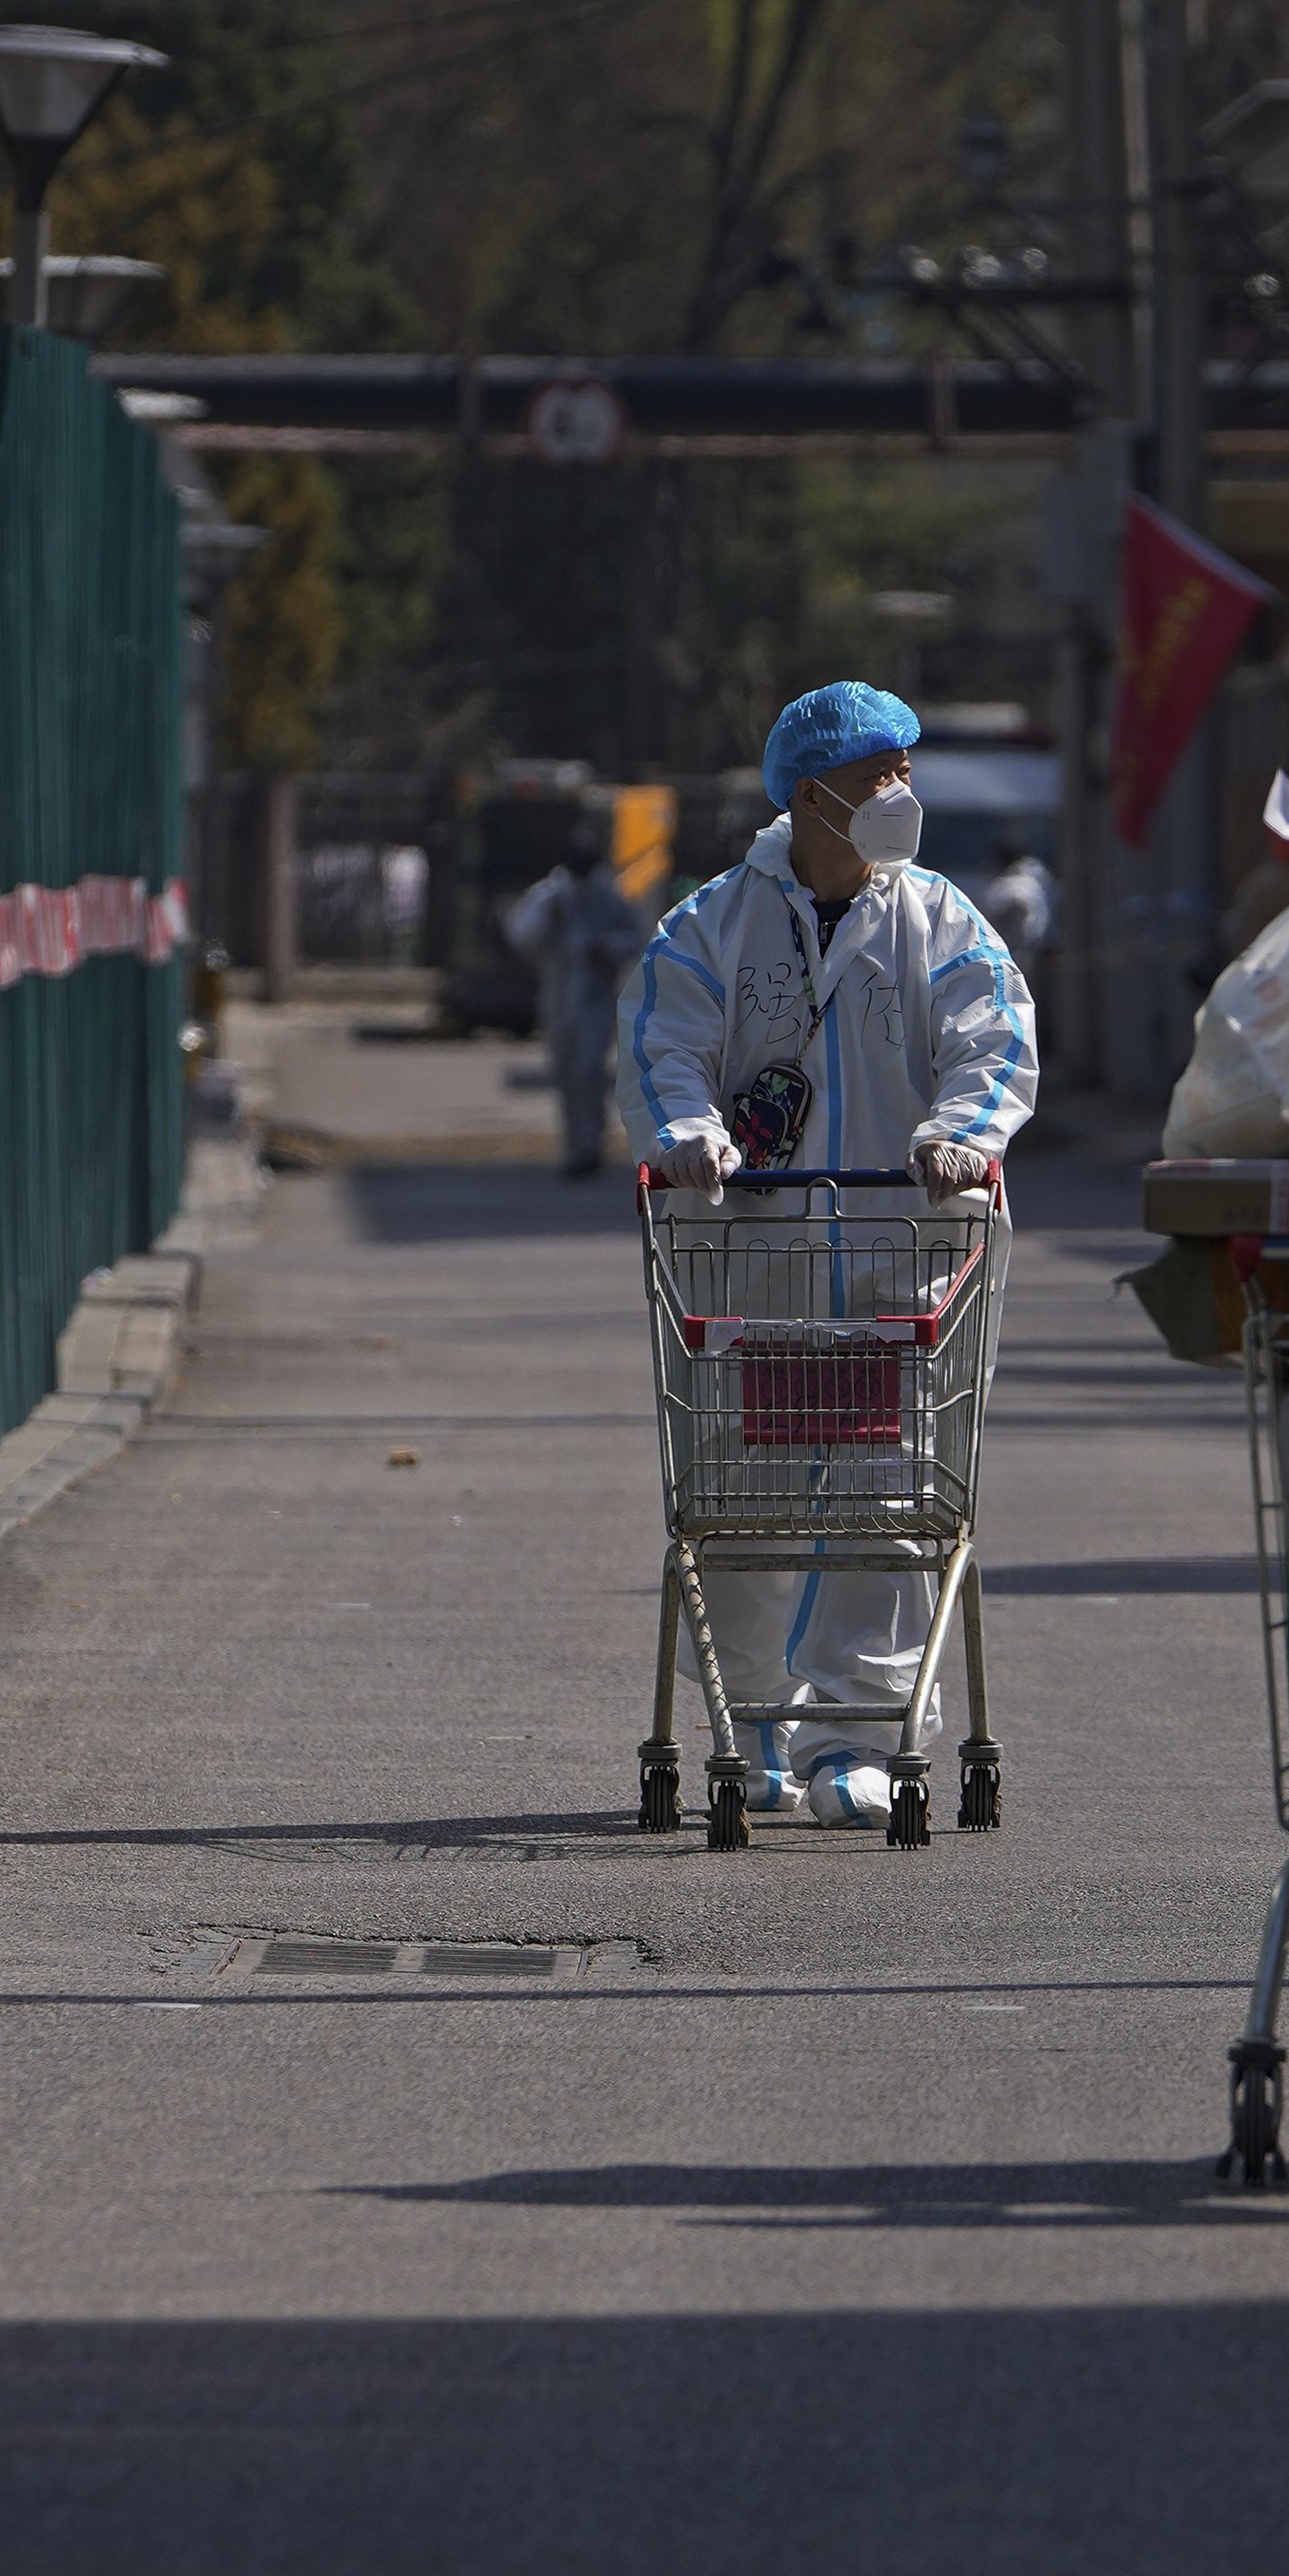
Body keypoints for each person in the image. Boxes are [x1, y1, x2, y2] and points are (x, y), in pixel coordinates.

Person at [624, 681, 1037, 1827]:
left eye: (906, 770)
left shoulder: (941, 920)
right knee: (740, 1501)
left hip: (903, 1268)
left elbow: (991, 1042)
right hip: (751, 1274)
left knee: (889, 1498)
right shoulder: (710, 926)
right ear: (809, 796)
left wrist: (961, 1137)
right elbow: (666, 1048)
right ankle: (748, 1727)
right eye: (878, 776)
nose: (902, 794)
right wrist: (689, 1136)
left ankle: (859, 1738)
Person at [499, 827, 648, 1178]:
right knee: (566, 1074)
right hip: (557, 998)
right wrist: (545, 921)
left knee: (589, 1071)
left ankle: (589, 1145)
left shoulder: (609, 895)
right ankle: (573, 1145)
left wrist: (607, 948)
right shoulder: (550, 895)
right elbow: (519, 936)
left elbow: (636, 938)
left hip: (596, 1000)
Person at [980, 844, 1054, 971]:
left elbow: (1018, 905)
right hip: (1029, 948)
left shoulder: (1014, 885)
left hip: (1017, 950)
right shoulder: (1034, 880)